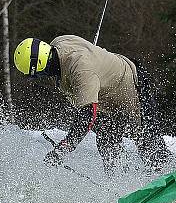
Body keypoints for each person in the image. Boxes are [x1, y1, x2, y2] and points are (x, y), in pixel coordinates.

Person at [13, 35, 168, 173]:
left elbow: (87, 115)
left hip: (132, 85)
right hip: (107, 99)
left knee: (147, 140)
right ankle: (121, 181)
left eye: (36, 75)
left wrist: (64, 148)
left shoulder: (80, 70)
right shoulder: (59, 43)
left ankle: (168, 174)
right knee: (106, 142)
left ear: (39, 67)